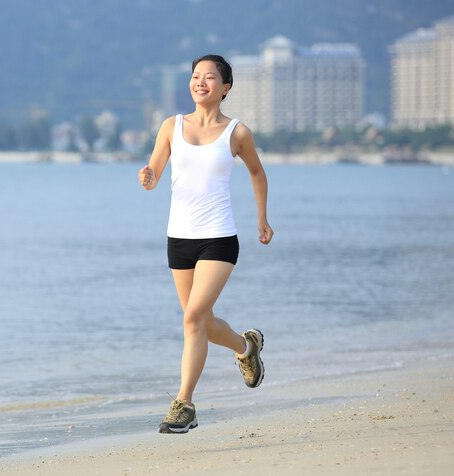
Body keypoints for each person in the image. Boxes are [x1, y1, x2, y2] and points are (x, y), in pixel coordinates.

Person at [138, 54, 273, 434]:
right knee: (204, 323)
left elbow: (257, 173)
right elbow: (154, 174)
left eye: (210, 78)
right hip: (179, 238)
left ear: (225, 88)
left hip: (218, 238)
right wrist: (147, 176)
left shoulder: (237, 133)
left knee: (192, 318)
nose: (201, 82)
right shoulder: (171, 126)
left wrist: (261, 218)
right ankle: (247, 348)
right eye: (196, 76)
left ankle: (184, 405)